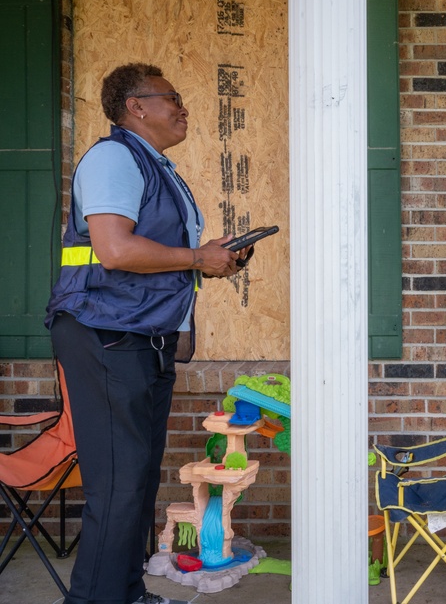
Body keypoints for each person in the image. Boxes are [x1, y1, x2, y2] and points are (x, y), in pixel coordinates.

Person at [45, 63, 250, 604]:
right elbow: (115, 250)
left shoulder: (157, 167)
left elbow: (160, 256)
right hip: (106, 333)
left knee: (134, 482)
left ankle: (127, 593)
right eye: (171, 98)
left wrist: (212, 260)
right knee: (118, 486)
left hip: (142, 338)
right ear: (136, 106)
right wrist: (197, 256)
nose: (183, 107)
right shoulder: (115, 157)